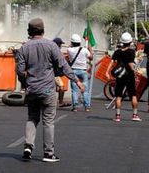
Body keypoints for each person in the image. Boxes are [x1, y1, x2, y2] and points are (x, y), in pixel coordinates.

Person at [16, 18, 85, 162]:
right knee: (48, 121)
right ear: (43, 30)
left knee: (32, 118)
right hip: (47, 90)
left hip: (32, 90)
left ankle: (28, 146)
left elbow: (20, 71)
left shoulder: (24, 48)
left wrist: (25, 83)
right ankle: (48, 153)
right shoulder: (51, 46)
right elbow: (64, 65)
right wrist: (76, 81)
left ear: (29, 31)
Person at [106, 32, 141, 122]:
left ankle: (117, 116)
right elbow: (130, 64)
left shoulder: (117, 51)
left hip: (120, 76)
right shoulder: (131, 51)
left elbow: (112, 62)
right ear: (130, 42)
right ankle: (135, 115)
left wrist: (107, 72)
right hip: (129, 76)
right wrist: (135, 72)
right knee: (133, 95)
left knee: (118, 96)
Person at [67, 34, 94, 112]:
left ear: (72, 42)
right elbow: (91, 58)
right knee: (85, 90)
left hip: (73, 71)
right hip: (83, 71)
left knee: (74, 90)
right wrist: (90, 50)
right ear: (79, 42)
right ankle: (87, 107)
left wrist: (71, 44)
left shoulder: (69, 50)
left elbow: (69, 46)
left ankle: (75, 106)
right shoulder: (84, 50)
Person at [52, 37, 71, 107]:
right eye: (60, 44)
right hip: (54, 74)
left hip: (51, 73)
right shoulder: (56, 51)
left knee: (56, 87)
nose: (61, 46)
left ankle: (60, 101)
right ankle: (60, 101)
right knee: (61, 87)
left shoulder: (52, 50)